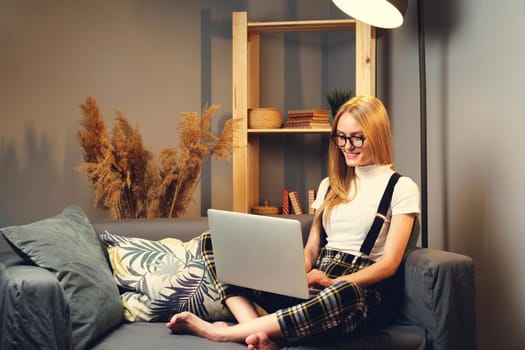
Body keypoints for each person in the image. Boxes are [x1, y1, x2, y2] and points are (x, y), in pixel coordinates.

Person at [166, 95, 420, 350]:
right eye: (340, 137)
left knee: (344, 294)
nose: (347, 146)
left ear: (377, 136)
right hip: (314, 284)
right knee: (215, 241)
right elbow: (311, 250)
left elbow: (389, 264)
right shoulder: (329, 184)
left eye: (356, 137)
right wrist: (297, 276)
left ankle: (223, 334)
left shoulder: (401, 187)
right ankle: (257, 331)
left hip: (357, 293)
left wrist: (335, 283)